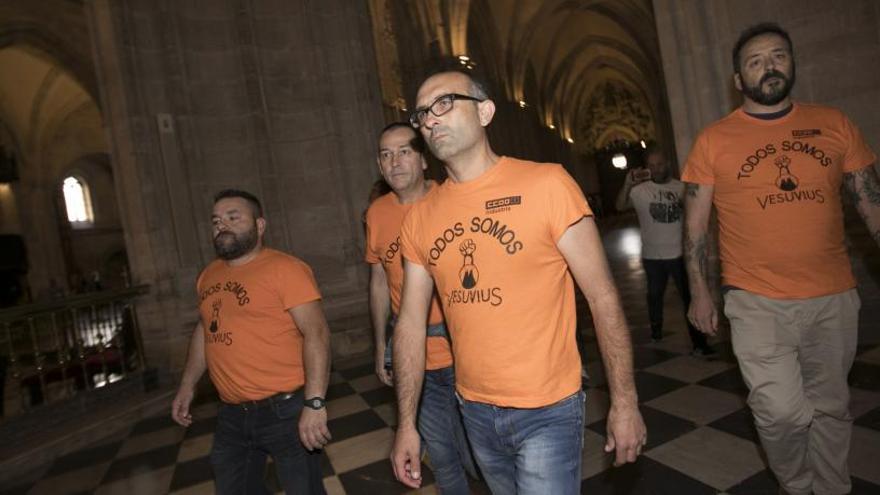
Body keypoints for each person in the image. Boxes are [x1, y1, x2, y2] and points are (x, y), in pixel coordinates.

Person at [390, 69, 646, 494]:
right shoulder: (419, 218)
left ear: (486, 111)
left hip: (548, 408)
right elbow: (410, 326)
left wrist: (624, 401)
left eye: (444, 103)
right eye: (421, 113)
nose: (430, 119)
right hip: (472, 407)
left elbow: (602, 297)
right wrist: (405, 425)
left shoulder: (547, 184)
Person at [683, 22, 880, 495]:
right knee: (780, 411)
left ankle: (832, 487)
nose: (769, 66)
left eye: (778, 56)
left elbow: (872, 204)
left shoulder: (835, 124)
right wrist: (699, 292)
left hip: (833, 296)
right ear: (738, 81)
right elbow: (693, 229)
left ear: (792, 64)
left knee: (831, 405)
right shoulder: (714, 140)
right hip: (756, 302)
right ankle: (795, 481)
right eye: (755, 60)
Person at [171, 189, 331, 495]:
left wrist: (314, 403)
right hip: (232, 414)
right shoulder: (208, 276)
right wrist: (188, 385)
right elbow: (205, 331)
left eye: (233, 217)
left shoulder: (286, 269)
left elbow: (317, 334)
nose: (222, 226)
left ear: (260, 225)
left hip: (286, 409)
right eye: (216, 221)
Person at [364, 122, 476, 493]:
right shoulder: (377, 213)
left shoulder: (452, 199)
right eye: (385, 154)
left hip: (464, 351)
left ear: (424, 160)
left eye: (404, 152)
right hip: (414, 358)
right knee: (442, 457)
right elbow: (379, 281)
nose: (394, 162)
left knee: (480, 453)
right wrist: (381, 344)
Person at [616, 145, 715, 355]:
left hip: (680, 254)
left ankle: (699, 343)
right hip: (652, 256)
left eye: (659, 164)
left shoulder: (681, 188)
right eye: (651, 165)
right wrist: (627, 184)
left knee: (689, 297)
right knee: (654, 296)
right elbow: (619, 206)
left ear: (667, 164)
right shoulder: (639, 190)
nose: (656, 168)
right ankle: (656, 330)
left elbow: (695, 215)